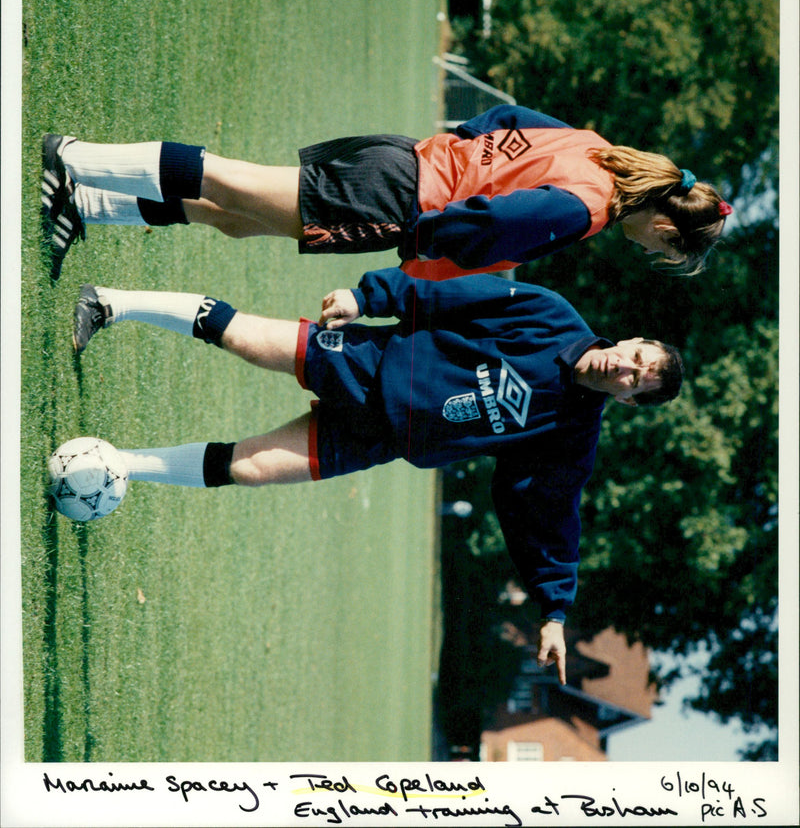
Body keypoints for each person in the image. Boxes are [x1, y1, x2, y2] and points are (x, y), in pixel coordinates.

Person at [65, 267, 684, 683]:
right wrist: (372, 297)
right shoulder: (549, 316)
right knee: (247, 339)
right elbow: (452, 295)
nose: (625, 368)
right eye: (636, 356)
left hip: (381, 439)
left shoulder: (570, 437)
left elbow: (548, 514)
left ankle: (117, 467)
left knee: (252, 468)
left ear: (629, 400)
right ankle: (111, 303)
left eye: (637, 379)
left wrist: (554, 609)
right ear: (631, 340)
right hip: (371, 363)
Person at [40, 104, 733, 281]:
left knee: (238, 220)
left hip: (400, 162)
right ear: (667, 228)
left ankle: (89, 203)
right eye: (662, 251)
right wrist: (422, 249)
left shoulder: (595, 146)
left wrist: (456, 148)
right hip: (400, 203)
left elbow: (501, 120)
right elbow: (488, 224)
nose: (649, 250)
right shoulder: (587, 210)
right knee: (231, 179)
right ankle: (75, 158)